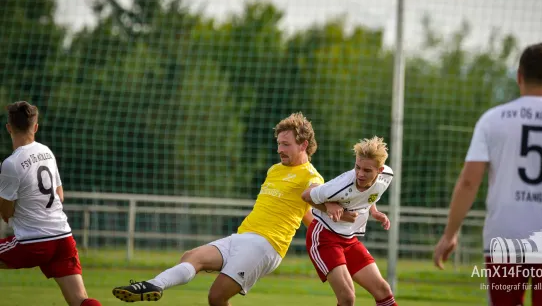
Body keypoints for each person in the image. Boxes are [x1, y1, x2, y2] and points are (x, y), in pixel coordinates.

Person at [113, 112, 353, 305]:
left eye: (286, 144)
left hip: (267, 245)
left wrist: (331, 208)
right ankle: (153, 285)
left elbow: (315, 192)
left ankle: (155, 284)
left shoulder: (312, 175)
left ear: (303, 144)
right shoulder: (275, 169)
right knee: (191, 257)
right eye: (278, 143)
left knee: (216, 296)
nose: (280, 149)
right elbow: (305, 214)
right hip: (243, 236)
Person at [433, 43, 542, 306]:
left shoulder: (492, 120)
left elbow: (468, 182)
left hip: (504, 239)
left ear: (519, 76)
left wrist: (450, 234)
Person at [0, 101, 102, 306]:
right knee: (81, 300)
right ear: (35, 127)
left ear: (9, 128)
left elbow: (6, 212)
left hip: (33, 242)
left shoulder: (11, 164)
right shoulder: (46, 152)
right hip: (63, 239)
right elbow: (60, 195)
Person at [301, 136, 398, 306]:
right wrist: (328, 207)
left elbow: (371, 194)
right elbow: (306, 195)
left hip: (349, 239)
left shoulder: (387, 176)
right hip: (324, 236)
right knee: (347, 298)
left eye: (367, 170)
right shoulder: (342, 184)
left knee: (383, 290)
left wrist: (374, 211)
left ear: (380, 170)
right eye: (357, 167)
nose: (360, 174)